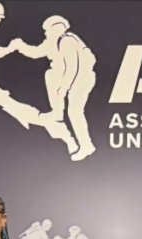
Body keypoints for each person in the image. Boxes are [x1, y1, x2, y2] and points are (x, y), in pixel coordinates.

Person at [13, 15, 96, 161]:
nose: (45, 33)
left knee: (75, 111)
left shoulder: (67, 41)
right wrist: (20, 46)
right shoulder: (52, 42)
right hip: (69, 77)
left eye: (47, 30)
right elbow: (36, 52)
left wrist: (64, 87)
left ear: (56, 28)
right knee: (50, 73)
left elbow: (73, 67)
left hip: (81, 79)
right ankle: (57, 112)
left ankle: (86, 145)